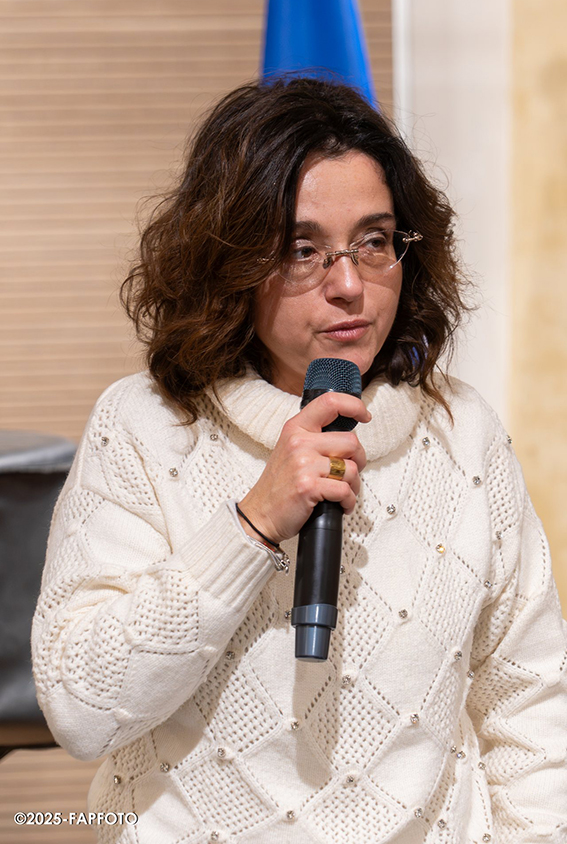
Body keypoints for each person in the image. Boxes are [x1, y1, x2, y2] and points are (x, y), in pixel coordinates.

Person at [31, 78, 567, 844]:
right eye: (302, 251)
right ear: (230, 261)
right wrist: (249, 527)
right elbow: (81, 709)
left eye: (374, 242)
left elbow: (529, 703)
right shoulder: (146, 426)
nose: (348, 286)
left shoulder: (463, 432)